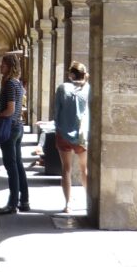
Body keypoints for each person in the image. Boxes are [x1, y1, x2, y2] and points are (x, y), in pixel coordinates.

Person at [0, 54, 29, 214]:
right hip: (18, 127)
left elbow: (10, 109)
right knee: (18, 164)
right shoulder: (18, 84)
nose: (0, 67)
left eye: (3, 65)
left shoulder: (9, 84)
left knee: (11, 165)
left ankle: (12, 203)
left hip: (10, 128)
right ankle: (24, 201)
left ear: (10, 67)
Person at [53, 60, 90, 213]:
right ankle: (89, 201)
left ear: (71, 74)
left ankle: (68, 204)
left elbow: (56, 111)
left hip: (63, 133)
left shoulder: (62, 88)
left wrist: (57, 125)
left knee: (66, 170)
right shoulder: (88, 89)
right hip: (81, 135)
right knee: (84, 169)